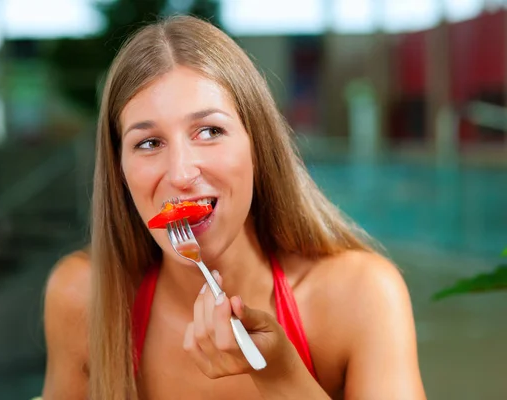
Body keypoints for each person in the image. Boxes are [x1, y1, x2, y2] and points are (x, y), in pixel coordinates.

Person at [41, 15, 426, 400]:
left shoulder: (359, 295)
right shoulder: (82, 297)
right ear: (119, 170)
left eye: (209, 131)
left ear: (258, 146)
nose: (181, 173)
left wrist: (280, 376)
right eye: (149, 143)